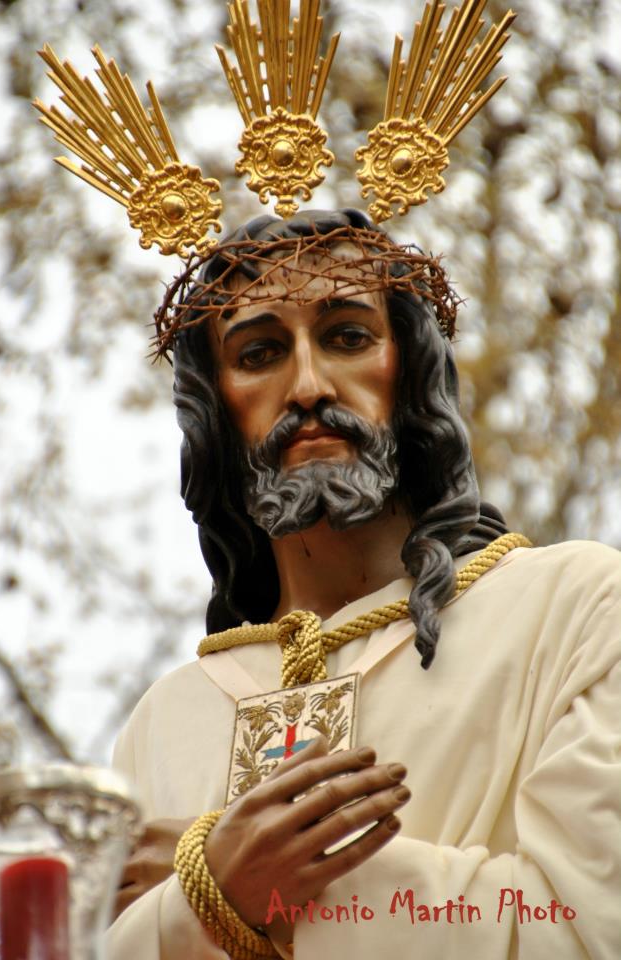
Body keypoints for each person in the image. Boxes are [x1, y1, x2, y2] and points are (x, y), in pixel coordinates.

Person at [105, 208, 621, 960]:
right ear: (215, 410)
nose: (309, 385)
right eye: (259, 353)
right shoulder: (164, 722)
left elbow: (589, 925)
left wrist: (255, 886)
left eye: (347, 337)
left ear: (409, 373)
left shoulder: (577, 608)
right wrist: (209, 894)